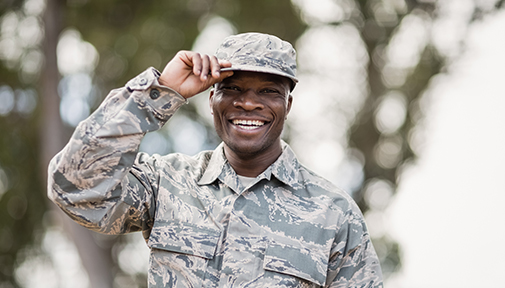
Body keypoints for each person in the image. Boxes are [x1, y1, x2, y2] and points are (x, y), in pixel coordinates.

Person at [48, 32, 383, 287]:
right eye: (233, 88)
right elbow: (74, 190)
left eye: (268, 91)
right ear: (212, 100)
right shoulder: (166, 183)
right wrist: (159, 91)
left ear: (288, 106)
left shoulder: (333, 214)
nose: (249, 103)